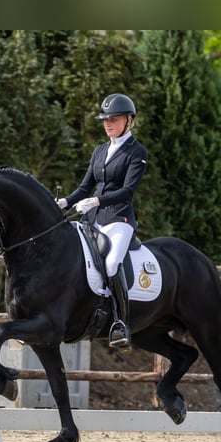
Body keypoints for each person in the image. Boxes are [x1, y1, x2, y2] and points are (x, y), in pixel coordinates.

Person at [56, 93, 148, 350]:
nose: (108, 124)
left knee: (110, 263)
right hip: (92, 218)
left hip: (119, 219)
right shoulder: (99, 151)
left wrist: (97, 202)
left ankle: (120, 323)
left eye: (114, 119)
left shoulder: (137, 152)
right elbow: (86, 187)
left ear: (129, 121)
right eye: (105, 119)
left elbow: (128, 191)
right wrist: (65, 202)